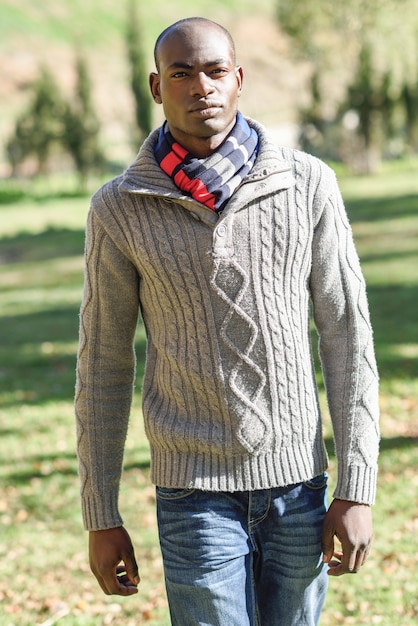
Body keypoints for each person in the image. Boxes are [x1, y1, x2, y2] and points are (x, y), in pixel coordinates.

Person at [75, 16, 380, 626]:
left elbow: (348, 337)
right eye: (181, 73)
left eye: (215, 71)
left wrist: (358, 485)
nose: (201, 87)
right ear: (157, 87)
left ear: (238, 79)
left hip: (299, 486)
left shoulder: (308, 184)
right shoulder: (119, 208)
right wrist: (100, 514)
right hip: (193, 494)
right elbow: (103, 364)